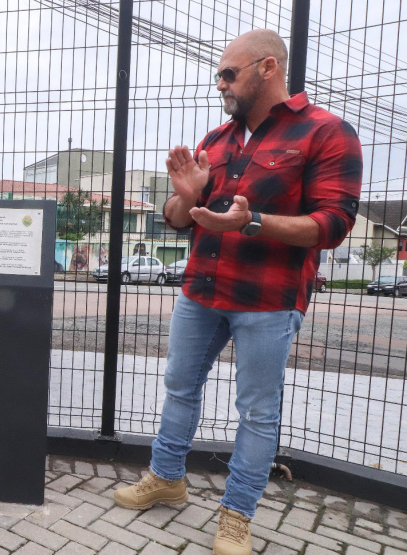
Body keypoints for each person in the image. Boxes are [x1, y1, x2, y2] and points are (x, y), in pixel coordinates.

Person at [113, 30, 362, 555]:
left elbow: (334, 223)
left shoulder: (326, 132)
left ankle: (237, 513)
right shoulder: (216, 140)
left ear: (267, 67)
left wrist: (253, 225)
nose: (221, 83)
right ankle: (167, 477)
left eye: (229, 73)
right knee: (179, 388)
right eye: (220, 75)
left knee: (257, 412)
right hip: (200, 290)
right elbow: (180, 220)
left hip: (268, 299)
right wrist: (185, 197)